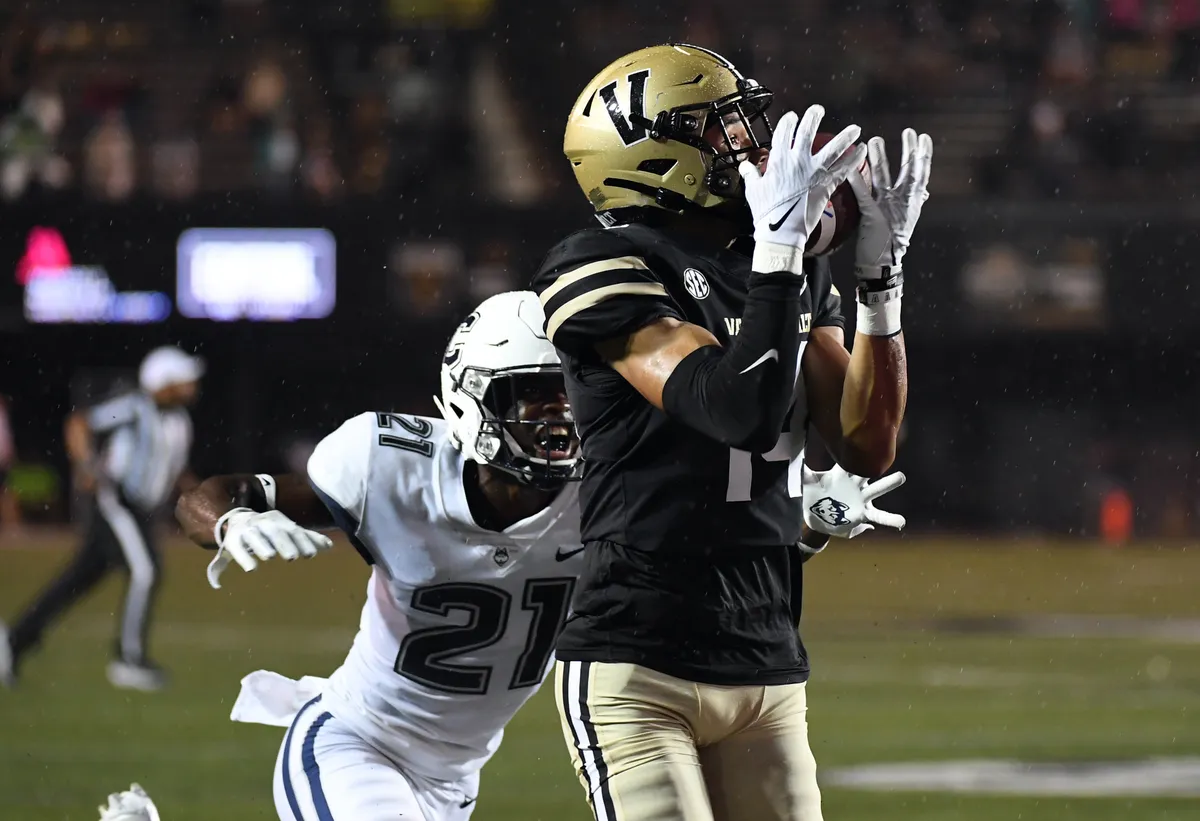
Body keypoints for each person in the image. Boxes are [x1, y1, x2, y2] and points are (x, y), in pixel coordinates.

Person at [530, 43, 930, 821]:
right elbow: (734, 410)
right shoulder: (600, 263)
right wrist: (781, 251)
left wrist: (881, 285)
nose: (752, 143)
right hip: (636, 655)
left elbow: (866, 442)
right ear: (650, 151)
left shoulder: (780, 265)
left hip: (767, 645)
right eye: (723, 129)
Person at [174, 291, 586, 821]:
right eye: (532, 392)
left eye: (570, 388)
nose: (560, 412)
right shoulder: (390, 467)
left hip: (455, 780)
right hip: (355, 742)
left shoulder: (609, 494)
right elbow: (201, 499)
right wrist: (232, 519)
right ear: (472, 396)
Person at [1, 345, 205, 691]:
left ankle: (13, 641)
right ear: (164, 382)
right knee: (146, 569)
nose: (192, 385)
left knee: (77, 580)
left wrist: (201, 499)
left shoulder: (179, 421)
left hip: (140, 509)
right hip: (117, 500)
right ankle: (129, 659)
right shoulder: (135, 408)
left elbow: (173, 468)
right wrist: (86, 464)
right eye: (184, 378)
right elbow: (80, 423)